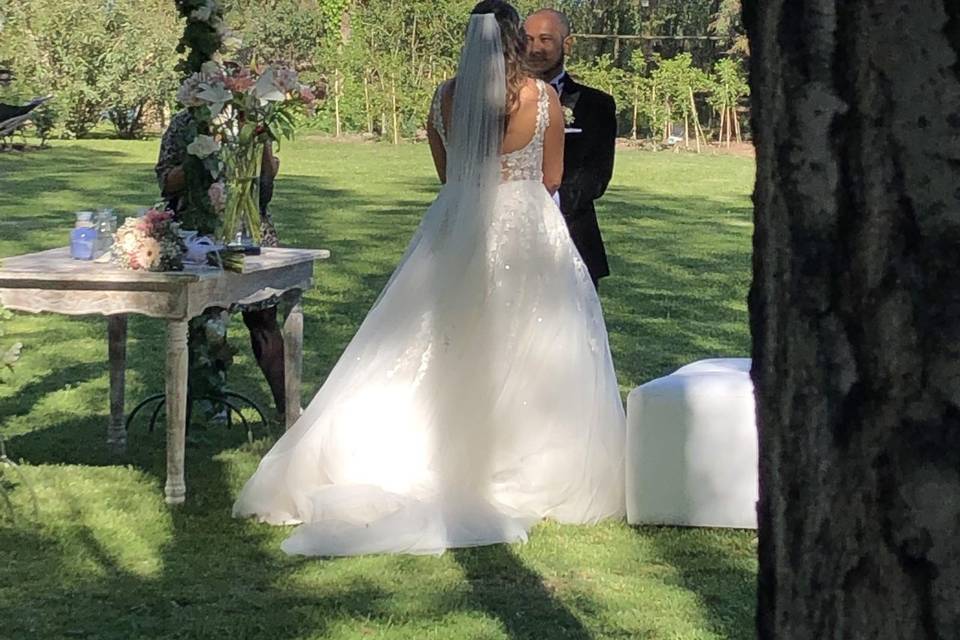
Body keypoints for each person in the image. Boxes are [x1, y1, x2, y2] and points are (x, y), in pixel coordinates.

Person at [233, 0, 625, 557]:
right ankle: (518, 457)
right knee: (533, 340)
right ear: (514, 39)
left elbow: (448, 174)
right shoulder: (542, 100)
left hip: (455, 222)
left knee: (435, 337)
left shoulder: (444, 97)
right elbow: (553, 176)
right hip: (526, 229)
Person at [155, 111, 286, 417]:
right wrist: (199, 159)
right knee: (211, 321)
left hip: (251, 230)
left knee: (265, 319)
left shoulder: (252, 121)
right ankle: (211, 403)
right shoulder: (183, 124)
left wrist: (263, 144)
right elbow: (165, 181)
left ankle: (289, 408)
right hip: (203, 234)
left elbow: (265, 185)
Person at [524, 9, 617, 289]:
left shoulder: (596, 105)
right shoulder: (500, 100)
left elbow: (597, 177)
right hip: (510, 238)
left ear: (567, 44)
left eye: (545, 39)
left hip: (572, 236)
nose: (535, 48)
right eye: (527, 39)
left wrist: (545, 205)